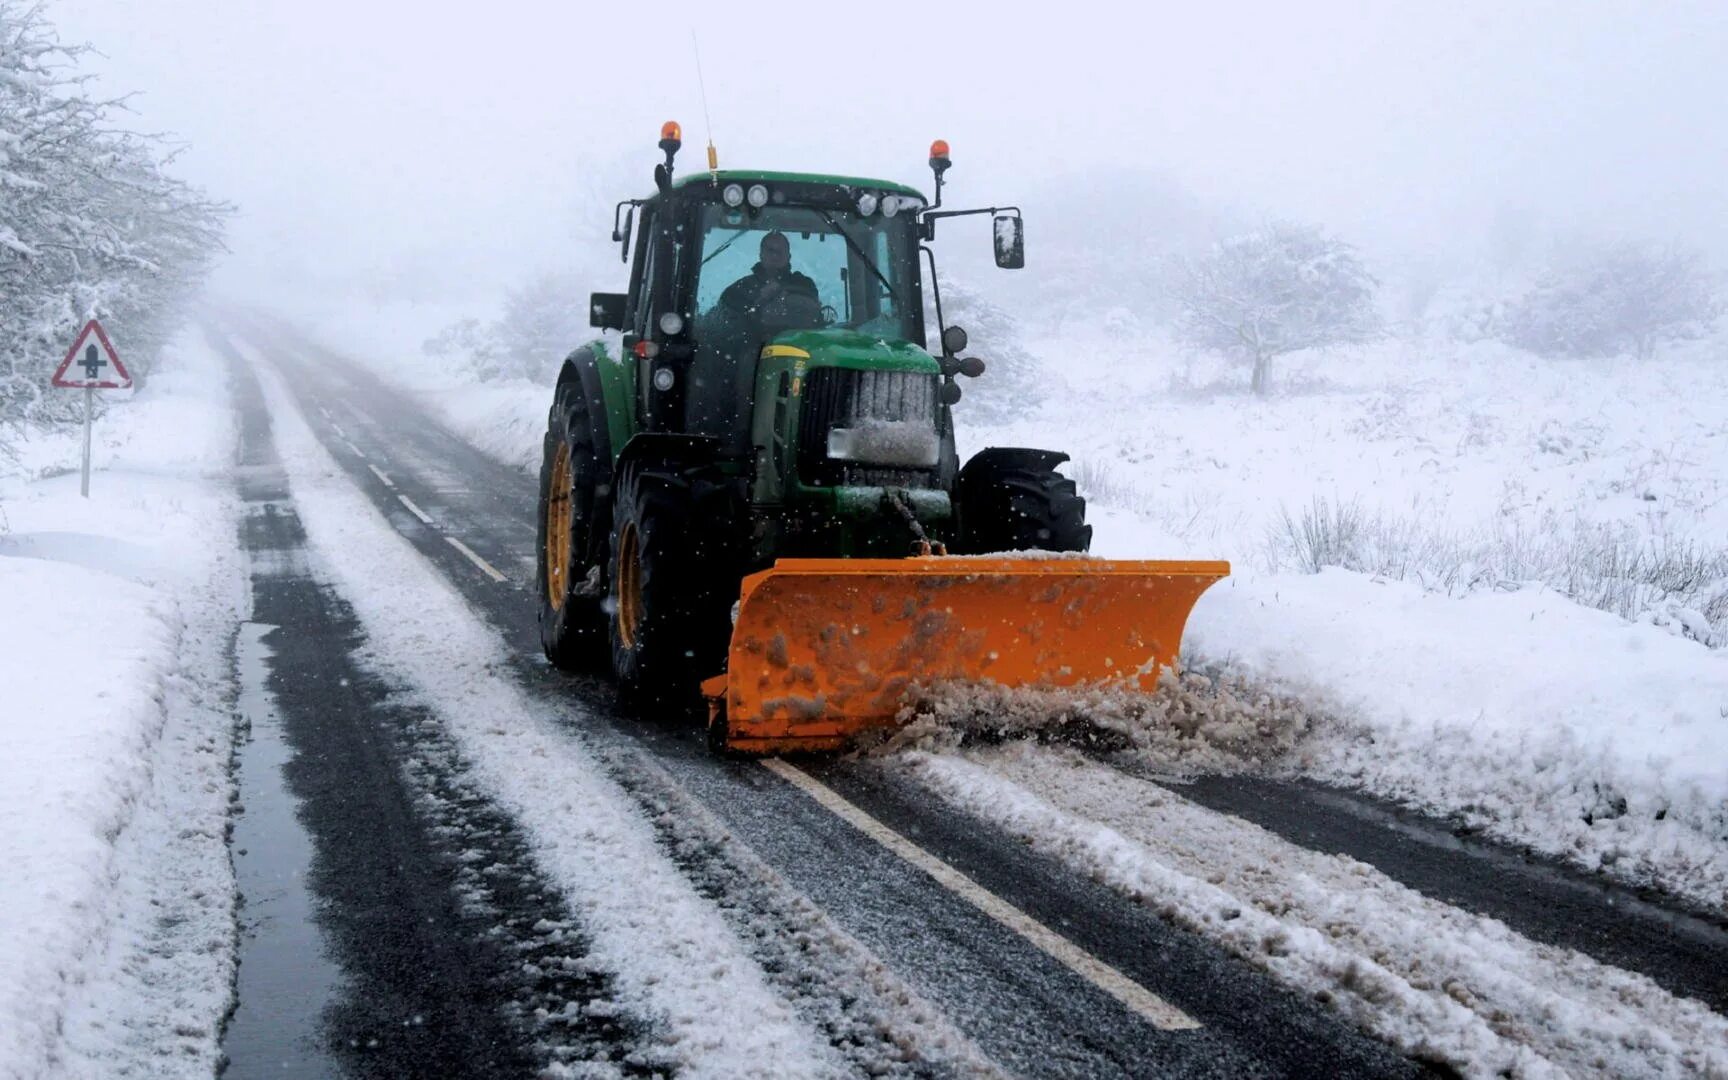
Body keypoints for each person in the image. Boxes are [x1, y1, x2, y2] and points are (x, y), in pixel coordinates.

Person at [717, 230, 819, 320]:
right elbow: (724, 322)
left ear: (789, 256)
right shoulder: (739, 290)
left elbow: (814, 316)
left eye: (779, 252)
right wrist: (759, 301)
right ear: (761, 254)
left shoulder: (804, 285)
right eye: (770, 250)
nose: (775, 255)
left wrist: (786, 296)